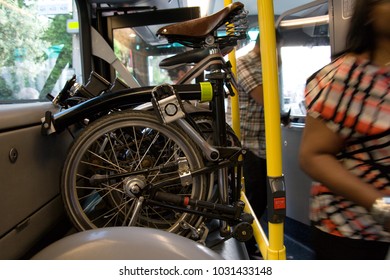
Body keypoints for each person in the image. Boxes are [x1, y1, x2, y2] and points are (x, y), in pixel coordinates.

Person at [299, 0, 390, 259]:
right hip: (351, 230)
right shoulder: (348, 76)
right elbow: (312, 156)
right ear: (369, 13)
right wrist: (383, 208)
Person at [226, 34, 267, 259]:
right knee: (253, 200)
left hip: (261, 144)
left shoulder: (261, 66)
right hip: (248, 144)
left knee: (259, 200)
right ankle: (247, 251)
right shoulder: (245, 63)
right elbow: (264, 98)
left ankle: (250, 249)